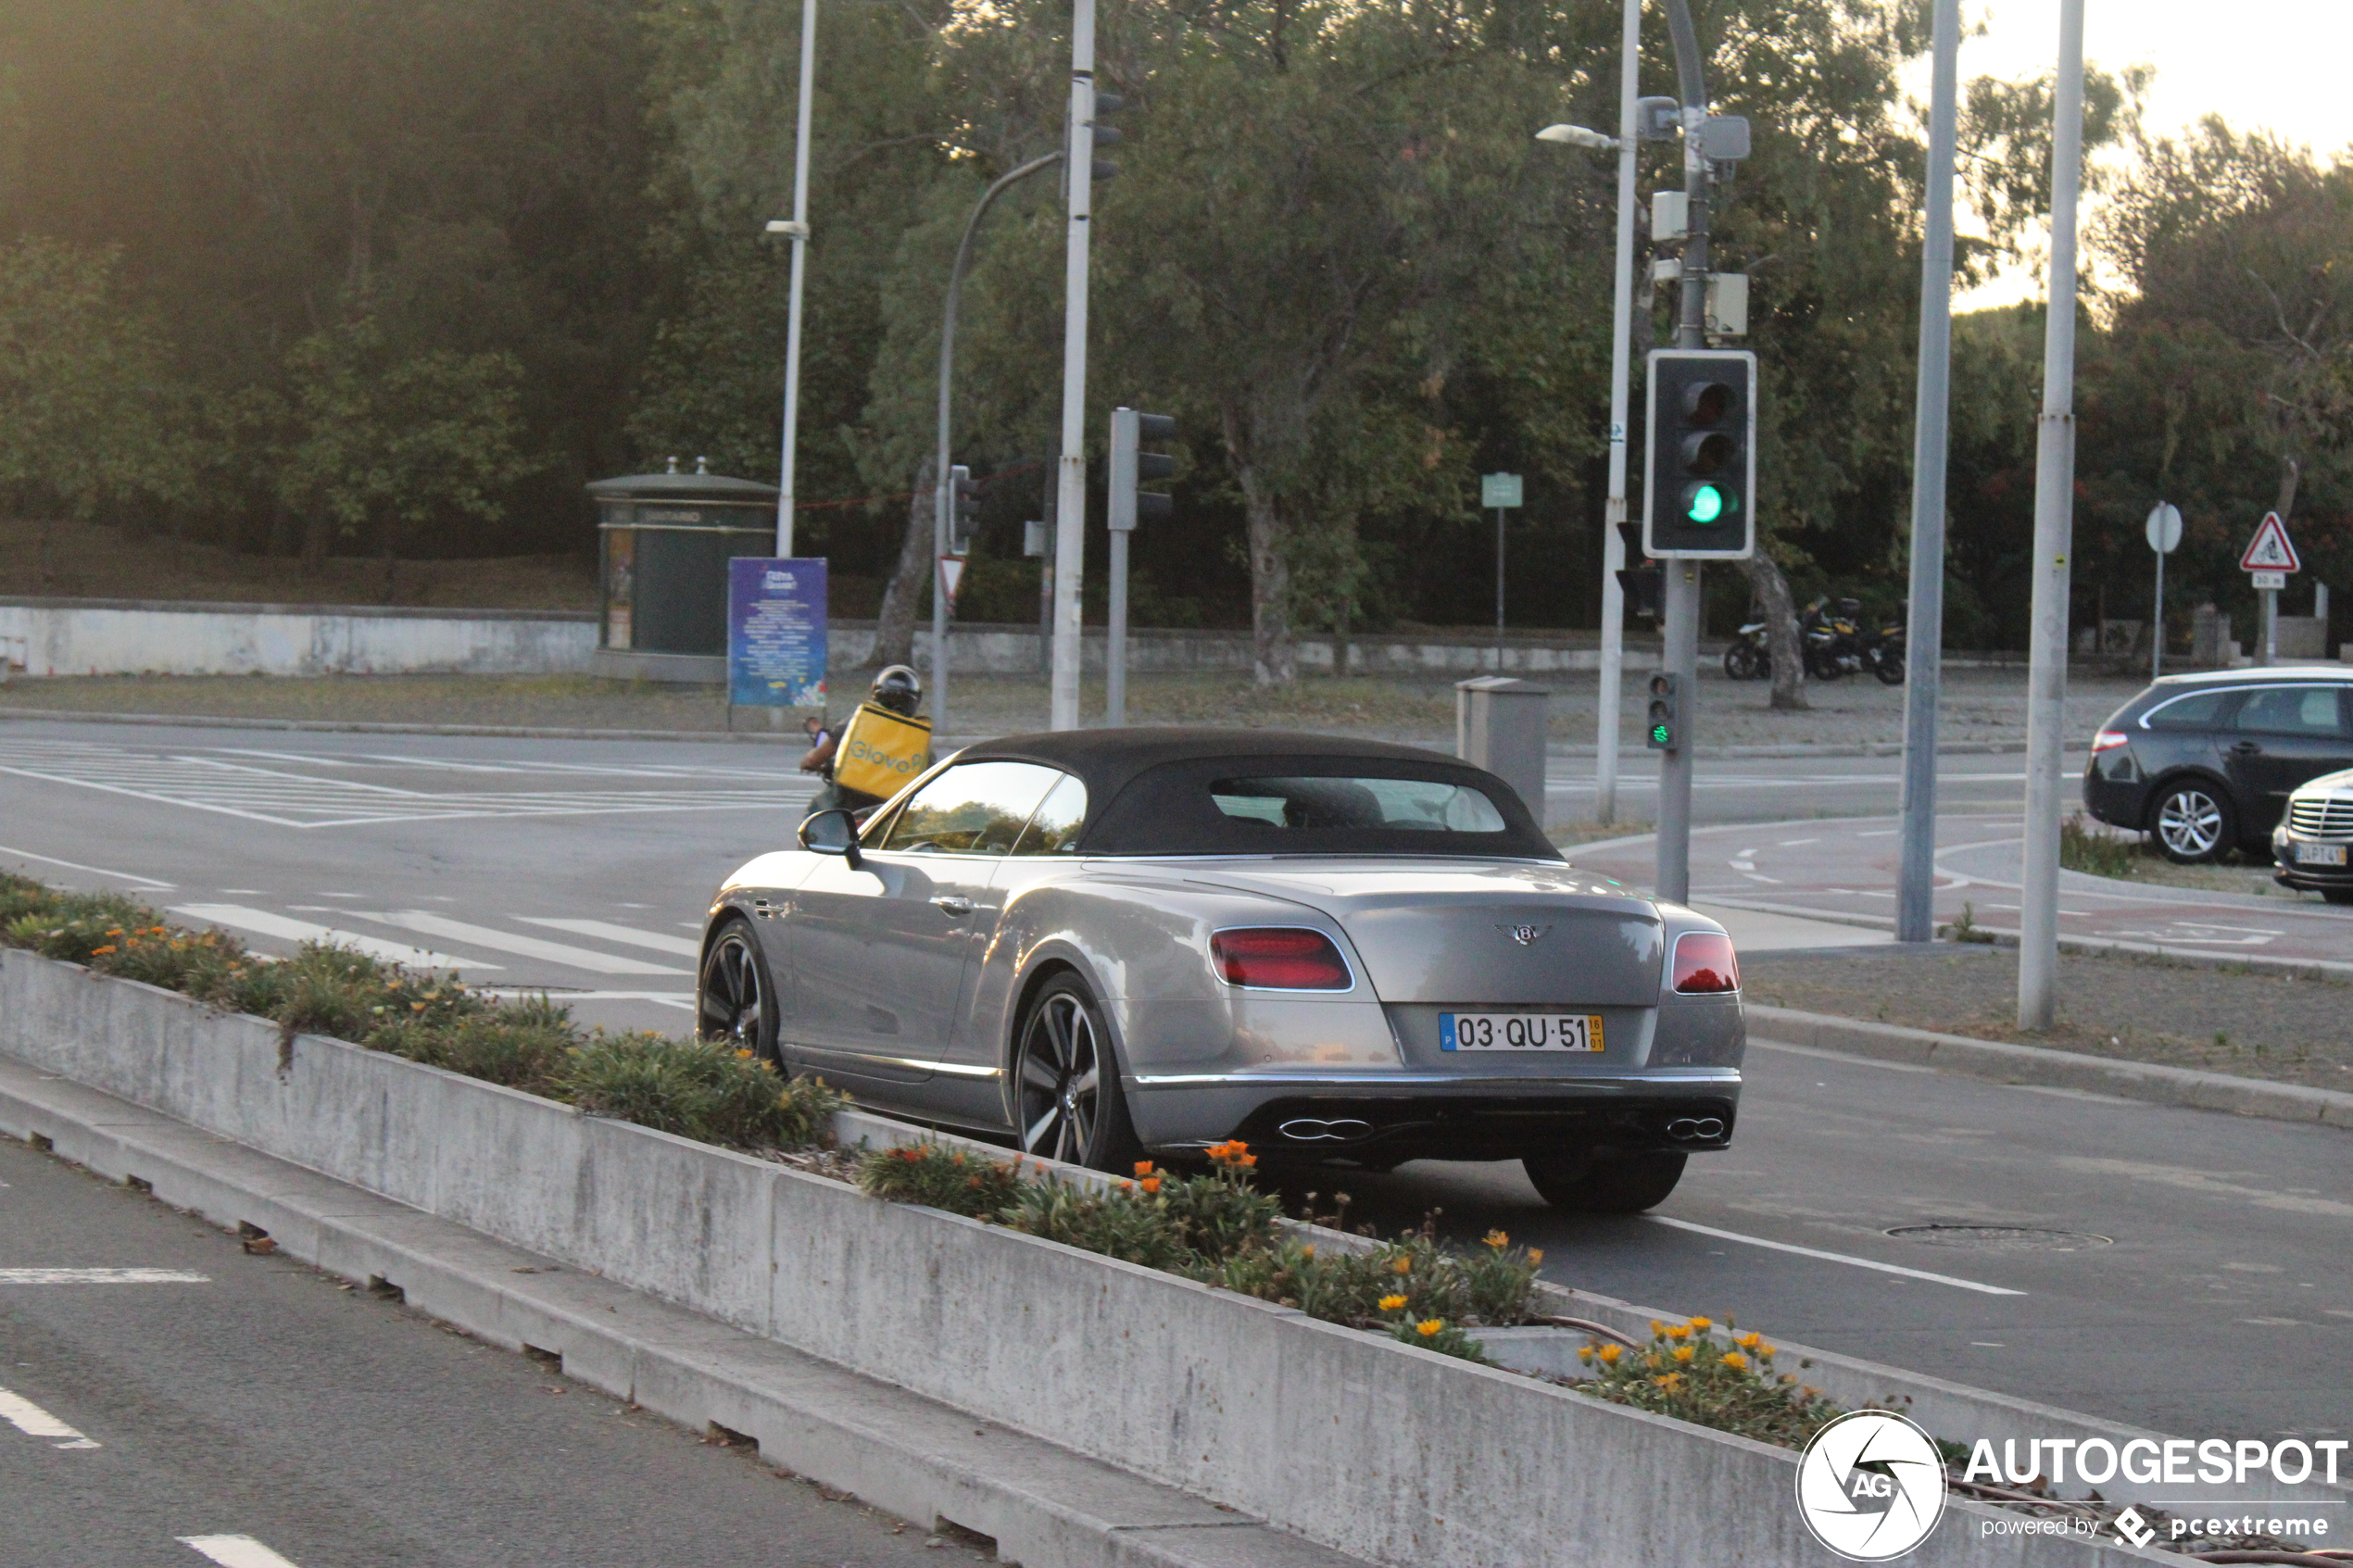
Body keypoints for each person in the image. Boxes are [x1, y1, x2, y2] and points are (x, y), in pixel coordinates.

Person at [800, 665, 927, 816]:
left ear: (876, 694)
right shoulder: (920, 738)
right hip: (893, 814)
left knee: (816, 816)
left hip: (849, 806)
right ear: (915, 700)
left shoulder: (856, 723)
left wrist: (809, 764)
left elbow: (813, 759)